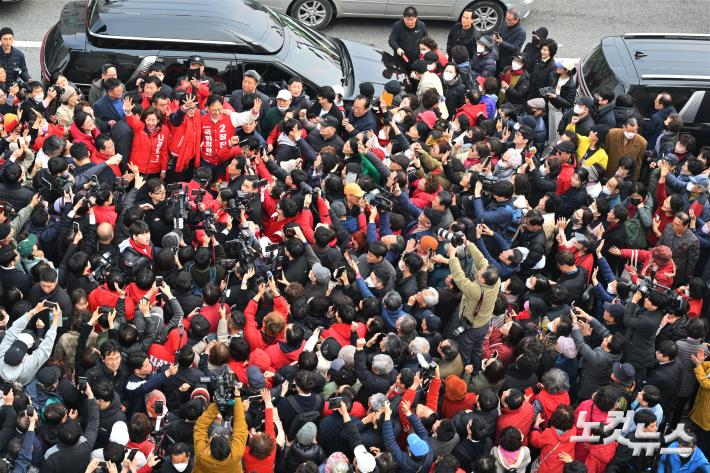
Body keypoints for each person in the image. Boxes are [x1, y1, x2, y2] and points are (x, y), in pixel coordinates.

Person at [388, 6, 429, 71]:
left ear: (416, 18)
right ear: (403, 17)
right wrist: (397, 48)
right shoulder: (398, 25)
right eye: (407, 19)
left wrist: (424, 54)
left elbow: (426, 41)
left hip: (415, 60)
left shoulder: (421, 26)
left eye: (412, 19)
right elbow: (391, 40)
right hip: (400, 59)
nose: (409, 22)